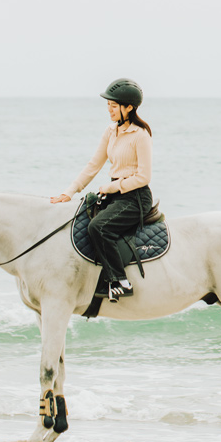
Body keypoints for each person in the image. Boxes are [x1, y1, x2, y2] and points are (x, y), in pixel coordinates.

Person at [51, 78, 153, 301]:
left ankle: (120, 281)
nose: (109, 109)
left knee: (99, 227)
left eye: (114, 106)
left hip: (135, 197)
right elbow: (94, 165)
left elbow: (144, 177)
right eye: (108, 105)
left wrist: (113, 186)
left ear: (129, 107)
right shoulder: (110, 131)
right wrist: (69, 191)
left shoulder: (140, 135)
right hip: (116, 194)